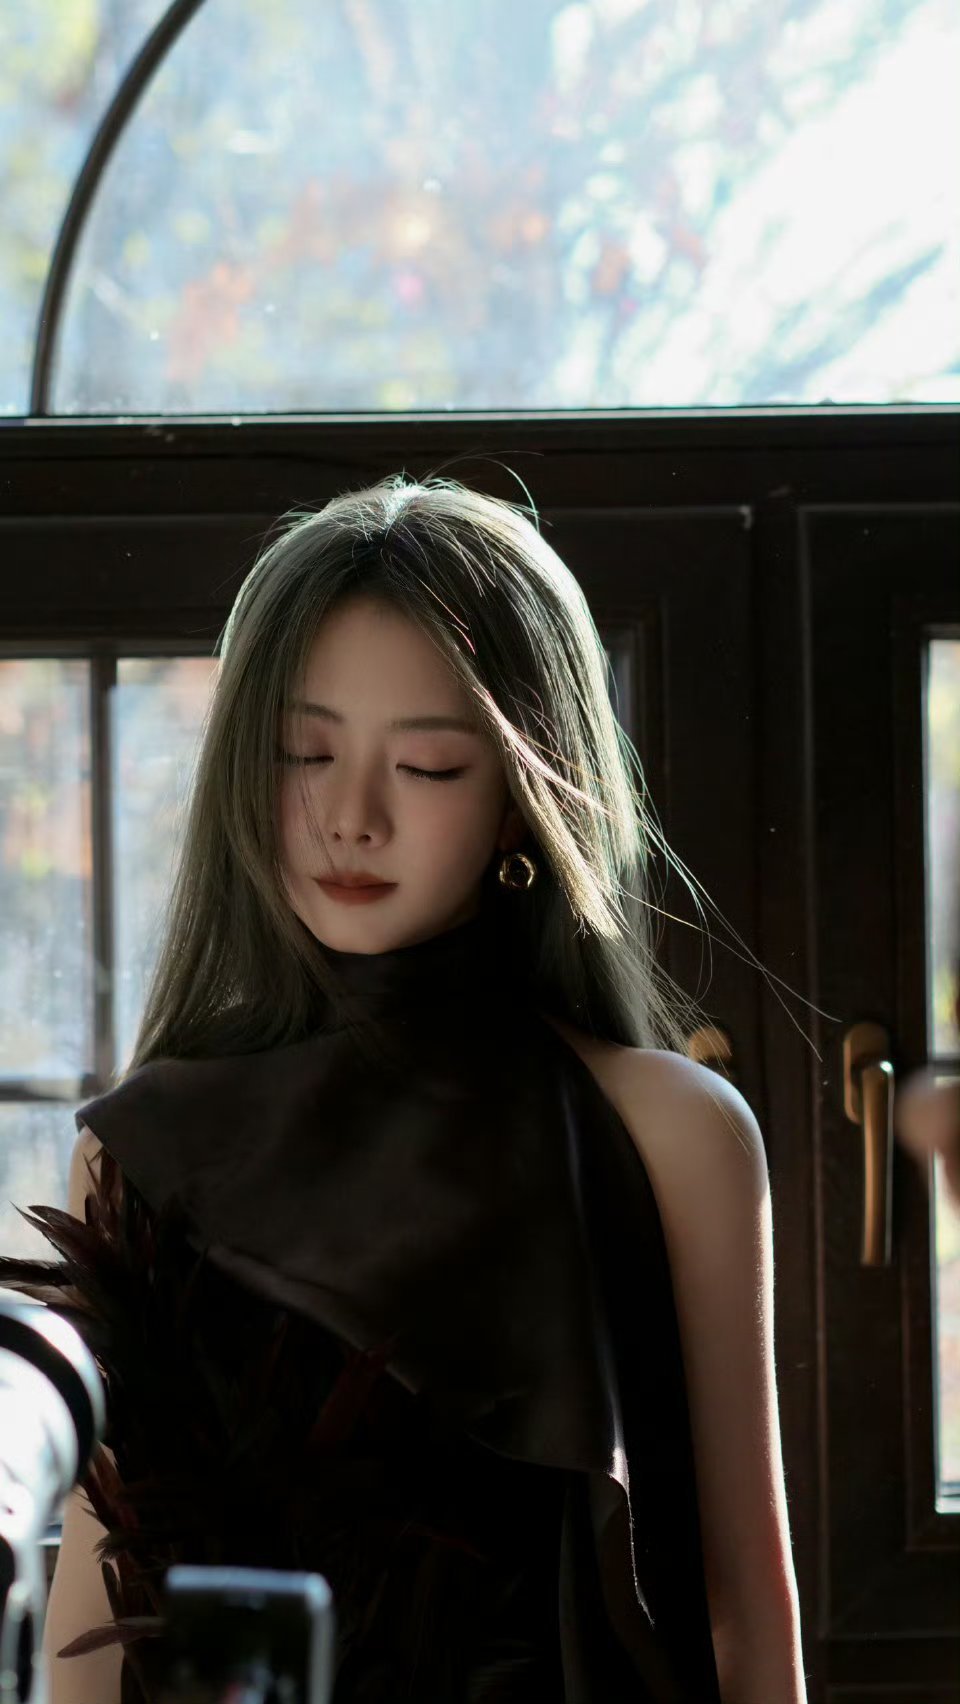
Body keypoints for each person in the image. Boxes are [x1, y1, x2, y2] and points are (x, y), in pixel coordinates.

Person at [0, 472, 807, 1704]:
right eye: (304, 753)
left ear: (522, 803)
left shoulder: (670, 1131)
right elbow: (92, 1624)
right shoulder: (146, 1142)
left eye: (428, 767)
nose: (351, 816)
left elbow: (744, 1617)